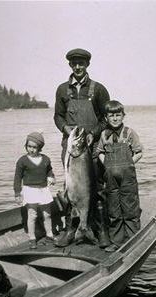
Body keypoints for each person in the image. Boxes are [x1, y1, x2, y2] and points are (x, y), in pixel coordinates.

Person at [53, 48, 110, 247]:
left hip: (93, 149)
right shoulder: (62, 89)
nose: (78, 67)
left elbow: (106, 118)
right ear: (70, 65)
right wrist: (66, 129)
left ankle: (100, 230)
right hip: (70, 147)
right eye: (74, 63)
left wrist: (93, 134)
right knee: (70, 188)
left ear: (87, 65)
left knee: (98, 188)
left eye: (81, 63)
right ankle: (71, 230)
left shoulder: (98, 89)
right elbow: (58, 116)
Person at [97, 100, 143, 252]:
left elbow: (139, 152)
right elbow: (100, 152)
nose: (115, 118)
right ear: (106, 118)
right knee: (113, 209)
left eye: (118, 115)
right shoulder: (104, 135)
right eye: (111, 115)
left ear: (123, 116)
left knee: (130, 207)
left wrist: (129, 163)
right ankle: (117, 242)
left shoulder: (129, 133)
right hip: (110, 179)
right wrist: (107, 165)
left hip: (127, 178)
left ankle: (133, 239)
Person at [14, 132, 55, 249]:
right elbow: (17, 178)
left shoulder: (46, 159)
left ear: (40, 147)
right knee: (32, 215)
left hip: (43, 189)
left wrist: (51, 177)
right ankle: (32, 238)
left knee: (47, 214)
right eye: (29, 146)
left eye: (34, 147)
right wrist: (17, 193)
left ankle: (50, 235)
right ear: (26, 146)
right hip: (30, 190)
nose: (31, 149)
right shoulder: (22, 161)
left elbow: (49, 171)